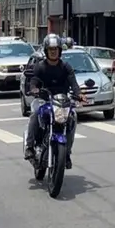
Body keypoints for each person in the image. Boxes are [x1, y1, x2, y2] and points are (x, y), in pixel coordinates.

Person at [24, 34, 87, 169]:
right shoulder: (40, 67)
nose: (53, 51)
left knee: (73, 117)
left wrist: (79, 94)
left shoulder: (66, 67)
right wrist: (34, 89)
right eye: (51, 49)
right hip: (43, 100)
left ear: (60, 50)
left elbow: (74, 84)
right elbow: (33, 81)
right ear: (46, 50)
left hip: (61, 102)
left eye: (56, 49)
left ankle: (67, 153)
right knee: (34, 114)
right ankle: (29, 147)